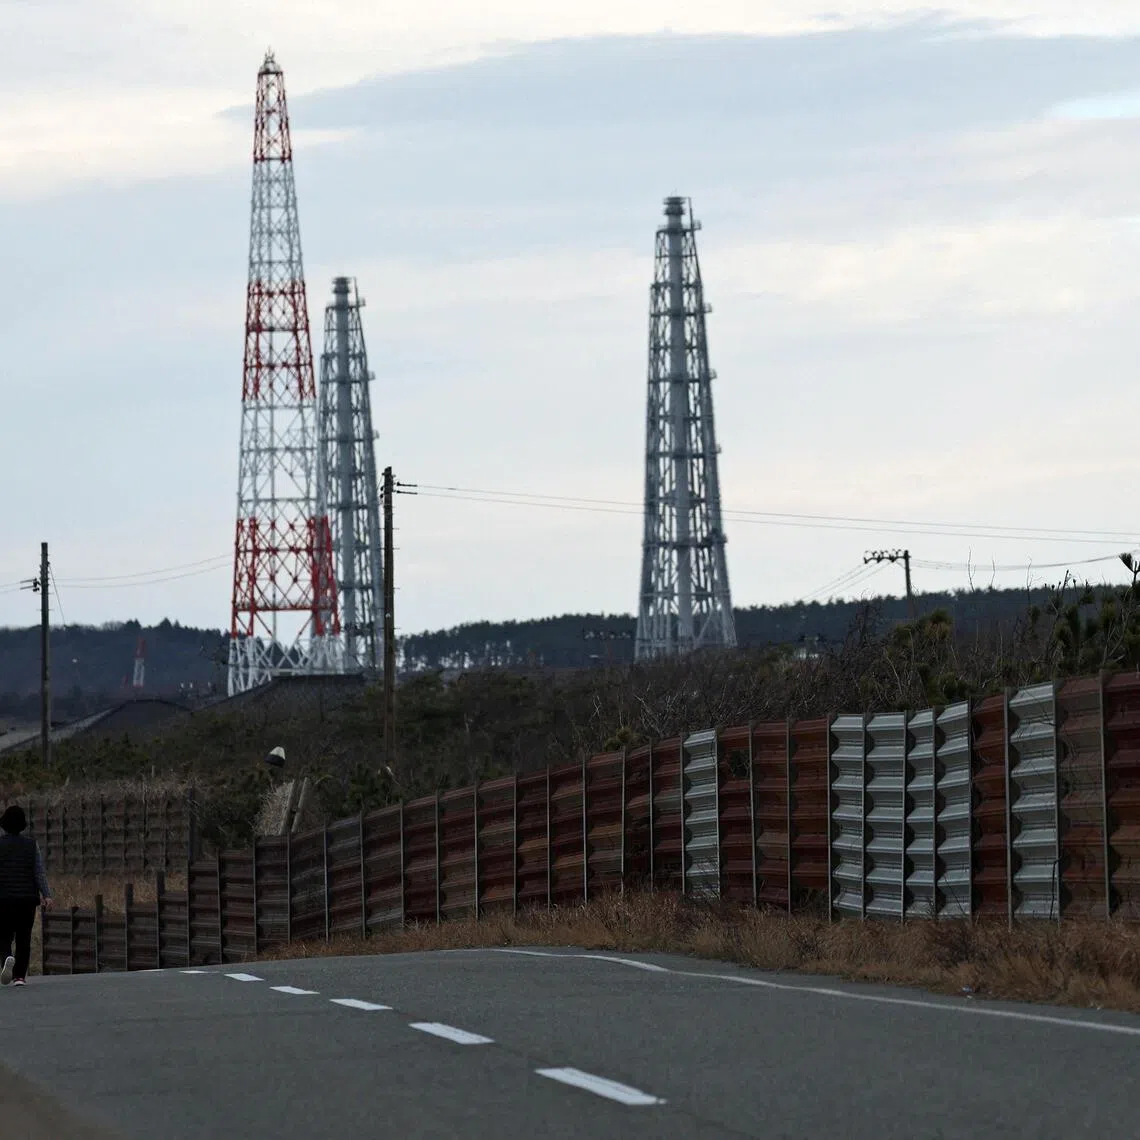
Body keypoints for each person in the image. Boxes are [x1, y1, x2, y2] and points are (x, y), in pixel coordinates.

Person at [0, 805, 53, 987]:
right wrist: (47, 895)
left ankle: (7, 957)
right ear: (23, 824)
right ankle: (20, 977)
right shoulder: (31, 845)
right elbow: (39, 872)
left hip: (3, 899)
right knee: (24, 937)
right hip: (27, 900)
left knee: (4, 935)